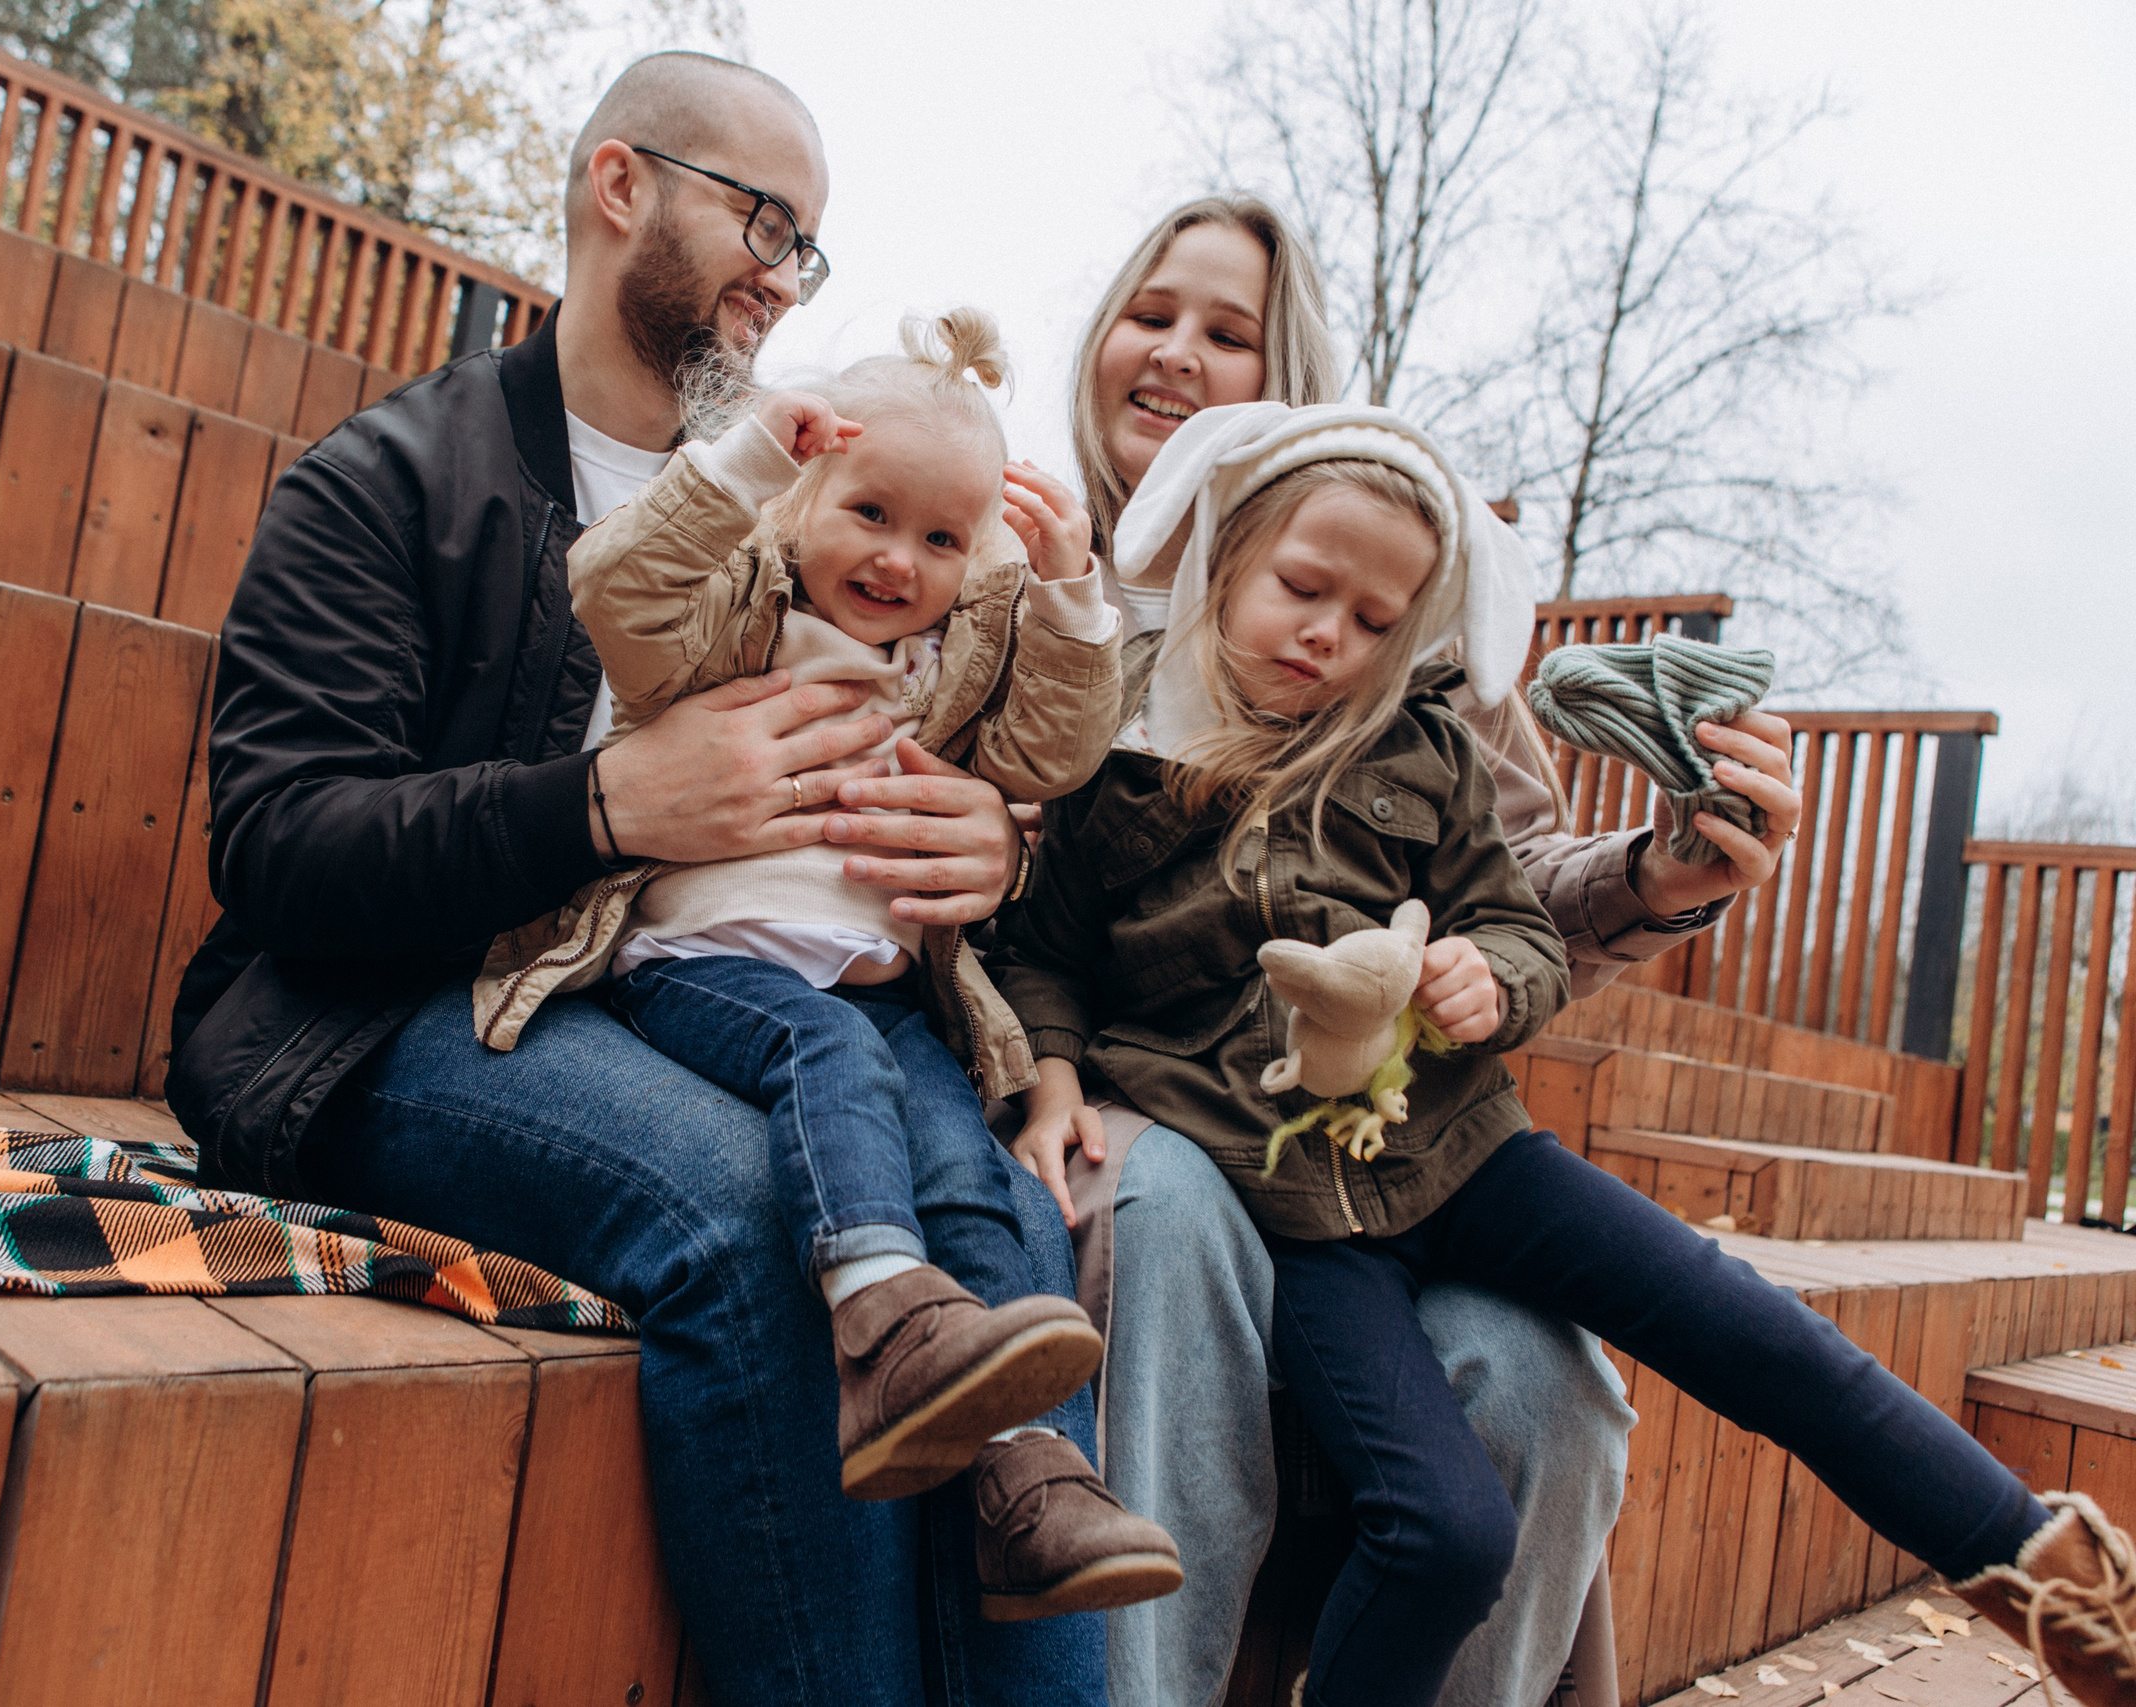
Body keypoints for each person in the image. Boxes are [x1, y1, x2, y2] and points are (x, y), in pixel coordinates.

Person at [170, 52, 1107, 1704]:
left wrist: (990, 846)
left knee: (996, 1225)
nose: (787, 275)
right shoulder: (393, 480)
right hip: (398, 1008)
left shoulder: (821, 497)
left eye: (807, 247)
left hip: (709, 997)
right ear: (622, 187)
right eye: (765, 221)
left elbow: (958, 740)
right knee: (754, 1214)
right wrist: (604, 805)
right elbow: (280, 844)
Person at [999, 399, 2136, 1707]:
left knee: (1759, 1336)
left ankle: (2056, 1584)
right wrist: (1060, 1074)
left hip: (1468, 1155)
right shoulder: (1127, 760)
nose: (1330, 634)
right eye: (1303, 590)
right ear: (1228, 562)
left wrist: (1493, 978)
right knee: (1445, 1534)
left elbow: (1512, 923)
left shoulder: (1416, 757)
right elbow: (1047, 951)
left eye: (1375, 623)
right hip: (1298, 1212)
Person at [1034, 194, 1809, 1707]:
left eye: (1229, 331)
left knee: (1551, 1393)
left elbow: (1510, 887)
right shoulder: (1030, 570)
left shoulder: (1405, 627)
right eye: (1152, 312)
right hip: (1158, 1112)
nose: (1178, 354)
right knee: (1168, 1215)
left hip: (1376, 1149)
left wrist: (1655, 877)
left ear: (1291, 388)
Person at [474, 308, 1184, 1615]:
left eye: (940, 538)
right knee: (829, 1057)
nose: (896, 557)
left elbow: (1054, 755)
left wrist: (1076, 592)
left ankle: (1031, 1480)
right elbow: (615, 586)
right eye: (868, 510)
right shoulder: (735, 610)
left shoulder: (948, 662)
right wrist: (745, 460)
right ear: (804, 493)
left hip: (879, 985)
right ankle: (881, 1323)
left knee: (972, 1172)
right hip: (706, 959)